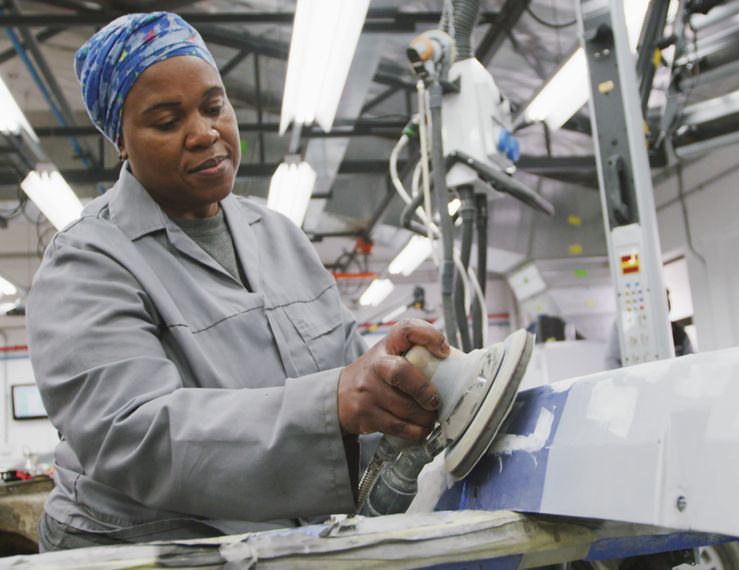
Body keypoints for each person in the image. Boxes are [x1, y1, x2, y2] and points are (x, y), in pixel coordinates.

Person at [26, 13, 448, 552]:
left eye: (213, 106)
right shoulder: (86, 262)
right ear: (121, 141)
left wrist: (389, 374)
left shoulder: (278, 235)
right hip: (139, 546)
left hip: (273, 534)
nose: (205, 133)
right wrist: (332, 403)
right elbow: (133, 436)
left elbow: (346, 367)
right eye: (166, 121)